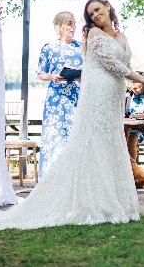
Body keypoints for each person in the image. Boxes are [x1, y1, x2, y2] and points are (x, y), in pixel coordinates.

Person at [0, 0, 144, 229]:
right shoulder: (93, 35)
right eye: (90, 14)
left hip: (114, 95)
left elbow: (123, 63)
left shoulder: (121, 36)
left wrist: (135, 79)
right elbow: (110, 63)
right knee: (93, 143)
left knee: (112, 143)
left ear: (108, 7)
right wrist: (142, 78)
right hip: (97, 94)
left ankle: (115, 199)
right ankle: (94, 200)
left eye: (97, 10)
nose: (94, 16)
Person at [36, 11, 83, 177]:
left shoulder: (81, 47)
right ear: (59, 26)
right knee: (55, 137)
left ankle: (75, 178)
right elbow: (41, 73)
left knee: (76, 138)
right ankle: (52, 177)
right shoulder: (49, 48)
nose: (73, 27)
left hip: (78, 98)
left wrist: (80, 75)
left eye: (74, 23)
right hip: (56, 99)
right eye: (69, 23)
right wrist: (54, 76)